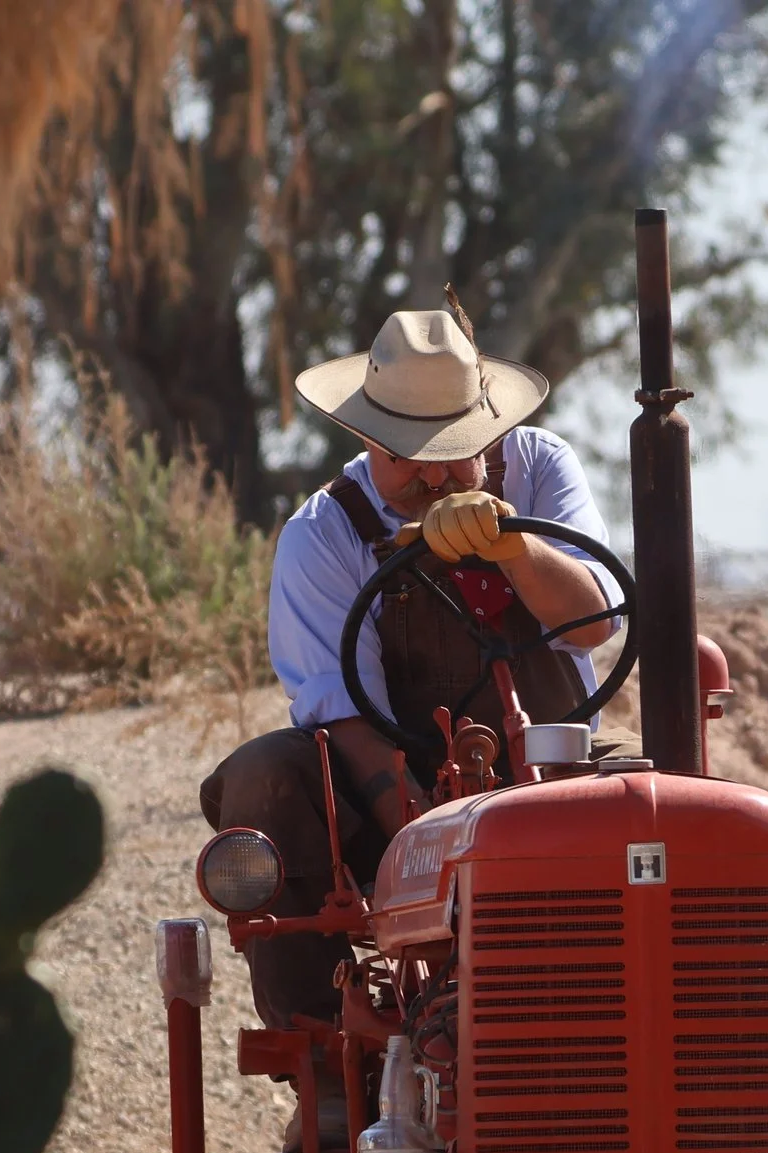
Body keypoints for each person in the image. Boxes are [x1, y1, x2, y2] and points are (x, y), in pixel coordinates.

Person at [200, 300, 623, 1082]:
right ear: (364, 437)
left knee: (668, 803)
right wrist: (442, 850)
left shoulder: (538, 468)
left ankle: (644, 1041)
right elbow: (348, 720)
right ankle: (331, 1067)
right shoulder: (322, 535)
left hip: (554, 772)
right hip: (401, 793)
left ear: (489, 428)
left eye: (454, 452)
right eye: (407, 456)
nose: (433, 476)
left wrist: (517, 549)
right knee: (268, 775)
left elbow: (594, 623)